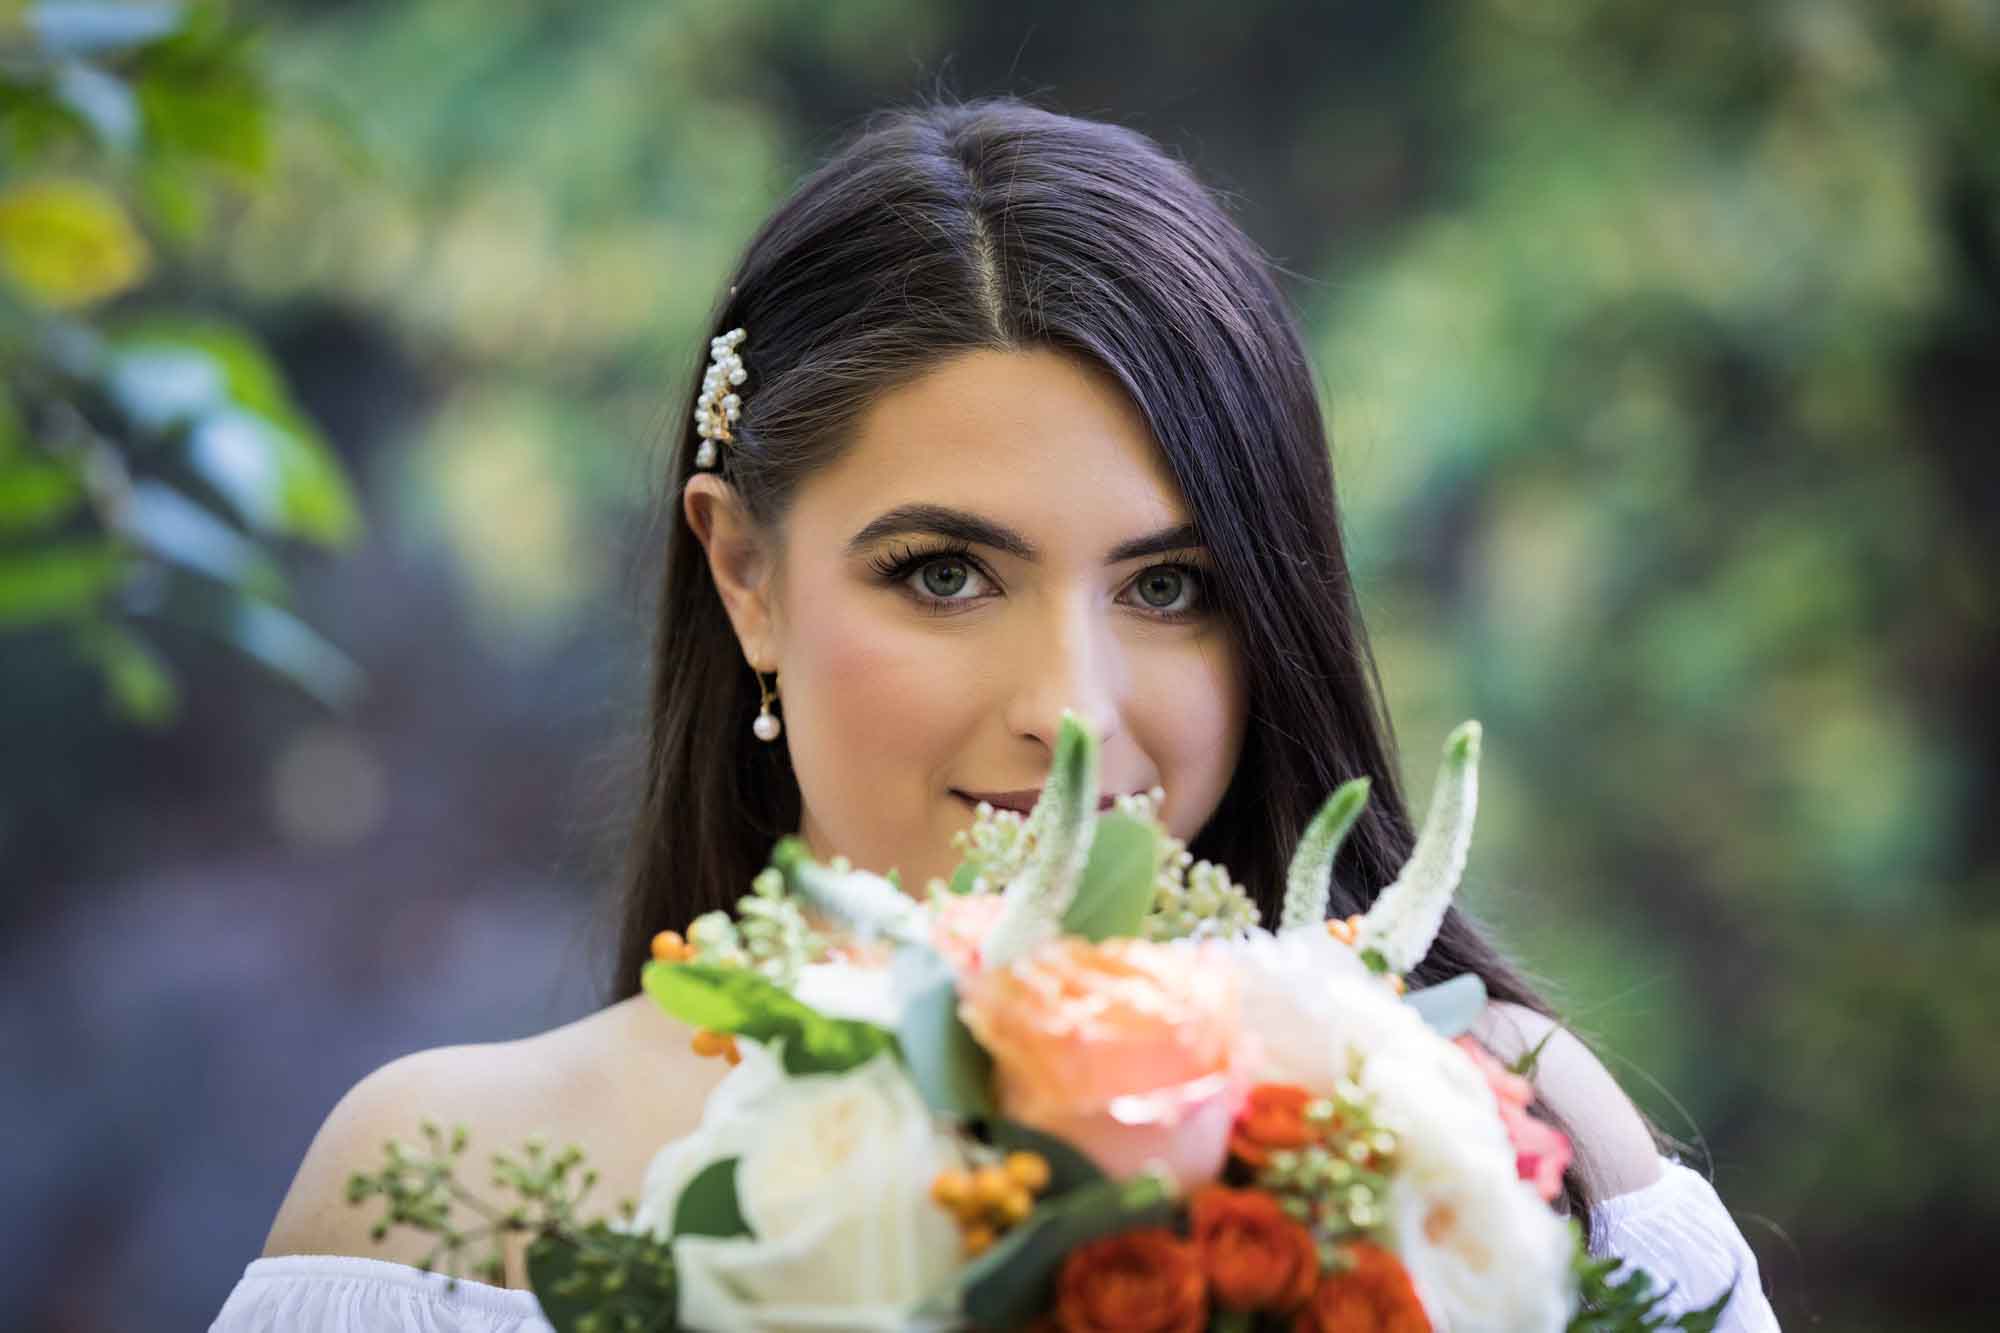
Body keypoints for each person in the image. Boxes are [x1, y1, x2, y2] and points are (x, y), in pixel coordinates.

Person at [212, 96, 1780, 1331]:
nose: (1073, 713)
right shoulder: (450, 1198)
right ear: (744, 571)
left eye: (1169, 588)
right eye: (947, 574)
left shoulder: (1495, 1136)